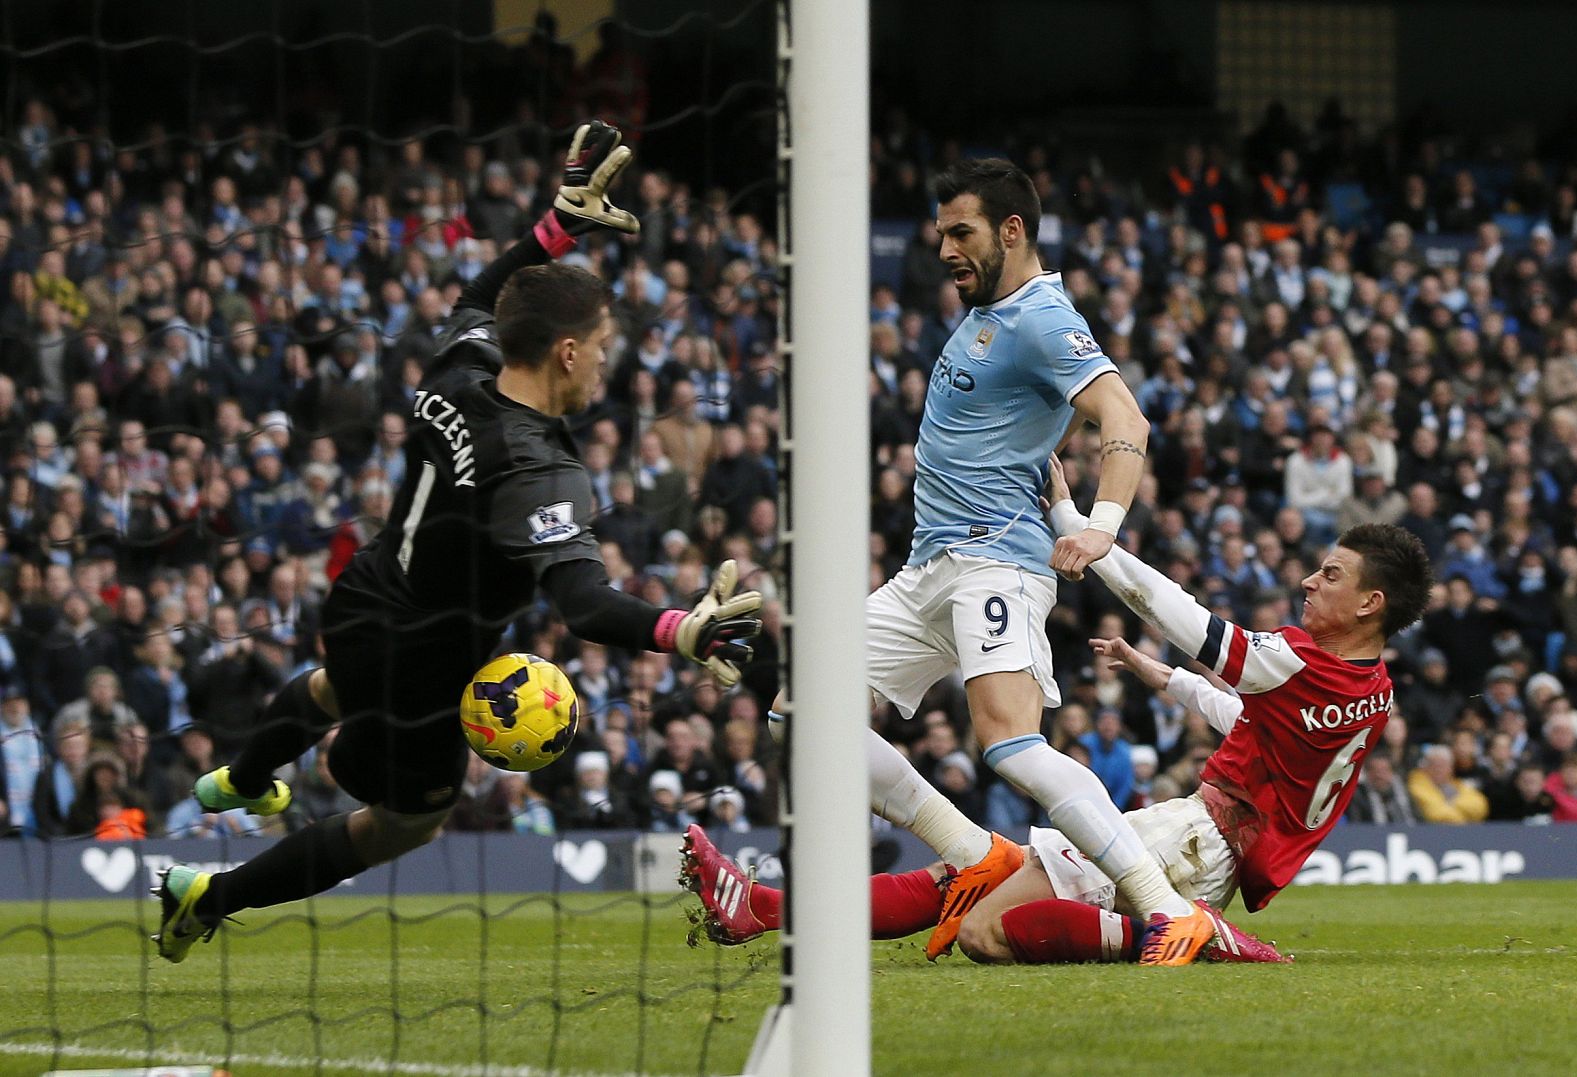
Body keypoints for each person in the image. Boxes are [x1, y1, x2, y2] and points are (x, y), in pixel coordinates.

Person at [153, 123, 762, 963]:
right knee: (406, 821)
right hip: (427, 662)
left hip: (363, 598)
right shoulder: (540, 470)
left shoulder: (460, 366)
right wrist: (679, 630)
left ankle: (245, 777)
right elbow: (582, 603)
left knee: (338, 681)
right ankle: (207, 896)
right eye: (605, 352)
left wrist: (556, 226)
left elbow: (482, 293)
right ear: (569, 350)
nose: (606, 369)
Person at [687, 492, 1434, 968]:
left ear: (1370, 601)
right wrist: (1161, 677)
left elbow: (1185, 616)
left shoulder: (1300, 661)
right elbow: (1253, 723)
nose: (1310, 580)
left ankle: (1184, 929)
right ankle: (761, 911)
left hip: (1194, 838)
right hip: (1206, 840)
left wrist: (1088, 533)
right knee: (971, 875)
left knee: (985, 929)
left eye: (1331, 575)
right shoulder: (1369, 686)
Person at [850, 158, 1218, 965]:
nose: (945, 247)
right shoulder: (990, 308)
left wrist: (1103, 524)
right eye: (942, 231)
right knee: (802, 716)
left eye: (962, 232)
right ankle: (974, 853)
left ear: (1011, 230)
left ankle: (1165, 907)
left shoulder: (1043, 318)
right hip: (927, 570)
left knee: (1009, 741)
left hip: (996, 561)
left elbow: (1124, 415)